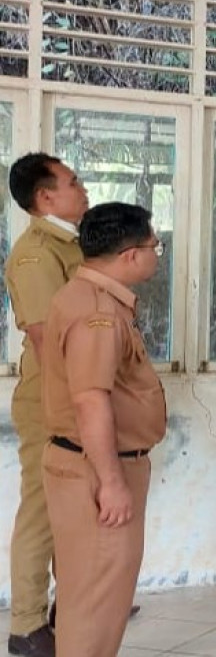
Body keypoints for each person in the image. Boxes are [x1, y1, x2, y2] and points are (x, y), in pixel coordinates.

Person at [40, 202, 167, 657]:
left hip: (88, 464)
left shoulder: (88, 297)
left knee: (92, 598)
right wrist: (111, 483)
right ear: (131, 254)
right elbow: (90, 399)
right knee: (95, 605)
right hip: (97, 471)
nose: (157, 255)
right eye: (156, 246)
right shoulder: (98, 312)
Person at [3, 153, 88, 657]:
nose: (83, 189)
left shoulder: (70, 245)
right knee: (41, 511)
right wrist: (79, 406)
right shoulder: (36, 254)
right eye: (73, 182)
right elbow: (46, 341)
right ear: (45, 197)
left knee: (71, 511)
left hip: (76, 398)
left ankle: (71, 607)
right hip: (52, 400)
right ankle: (27, 626)